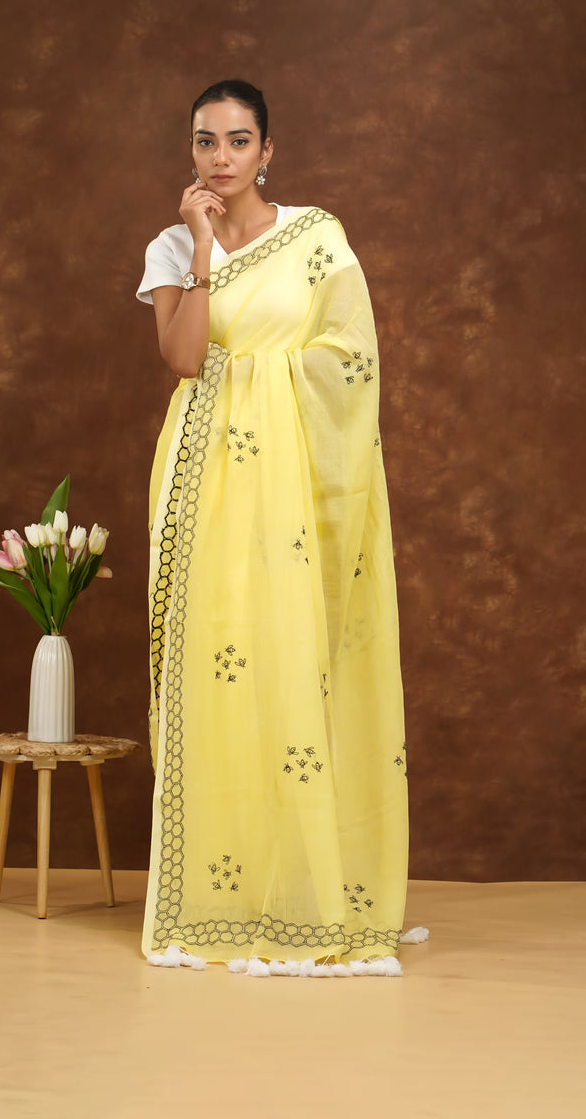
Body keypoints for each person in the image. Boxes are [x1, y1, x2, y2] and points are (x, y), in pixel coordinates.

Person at [135, 80, 425, 976]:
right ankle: (220, 894)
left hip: (293, 483)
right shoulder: (172, 246)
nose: (221, 156)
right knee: (213, 659)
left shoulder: (318, 237)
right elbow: (185, 361)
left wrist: (264, 379)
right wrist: (204, 254)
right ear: (190, 152)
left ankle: (307, 886)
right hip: (202, 478)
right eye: (205, 141)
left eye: (239, 140)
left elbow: (351, 360)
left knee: (290, 654)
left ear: (270, 152)